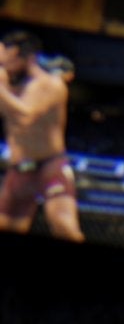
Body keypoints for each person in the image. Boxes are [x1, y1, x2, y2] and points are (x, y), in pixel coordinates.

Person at [0, 30, 85, 243]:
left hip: (49, 166)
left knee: (63, 226)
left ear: (24, 57)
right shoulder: (8, 82)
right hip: (20, 168)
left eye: (7, 58)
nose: (4, 64)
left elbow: (25, 115)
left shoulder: (50, 85)